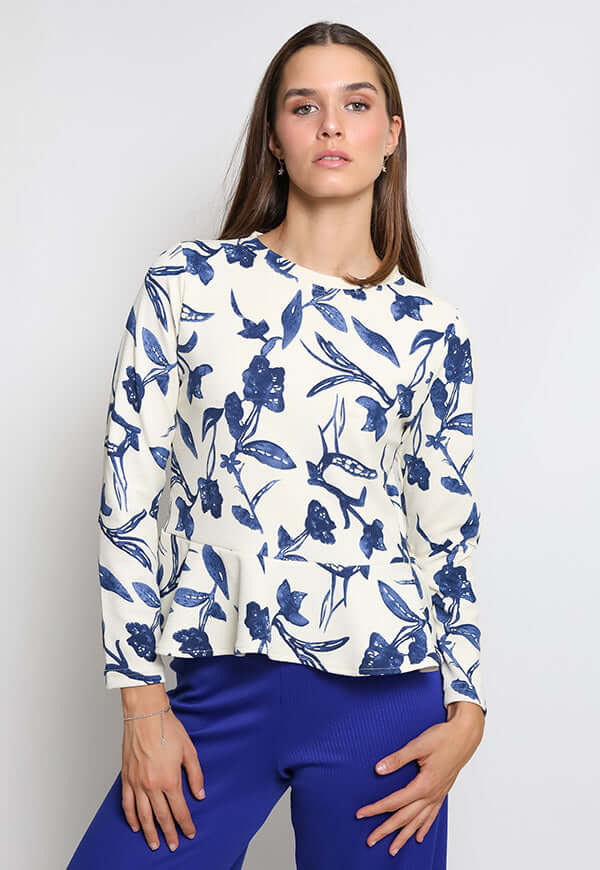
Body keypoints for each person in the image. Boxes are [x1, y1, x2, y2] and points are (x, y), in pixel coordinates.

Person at [68, 19, 487, 869]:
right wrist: (140, 702)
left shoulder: (431, 327)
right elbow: (128, 497)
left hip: (387, 707)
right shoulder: (188, 285)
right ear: (274, 137)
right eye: (304, 106)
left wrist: (470, 707)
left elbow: (445, 532)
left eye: (356, 105)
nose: (331, 125)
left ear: (391, 136)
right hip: (214, 696)